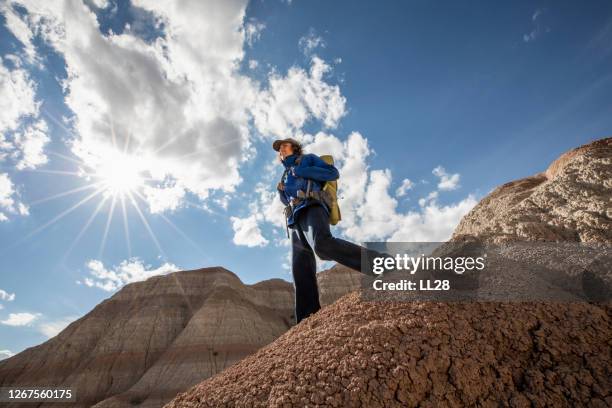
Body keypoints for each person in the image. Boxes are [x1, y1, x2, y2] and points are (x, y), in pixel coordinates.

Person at [273, 137, 385, 324]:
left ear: (294, 147)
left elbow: (332, 173)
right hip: (294, 220)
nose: (281, 150)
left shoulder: (306, 159)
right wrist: (281, 192)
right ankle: (307, 318)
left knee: (322, 245)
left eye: (284, 146)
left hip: (313, 206)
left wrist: (302, 170)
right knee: (300, 268)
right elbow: (287, 201)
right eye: (279, 149)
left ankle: (383, 264)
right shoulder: (284, 175)